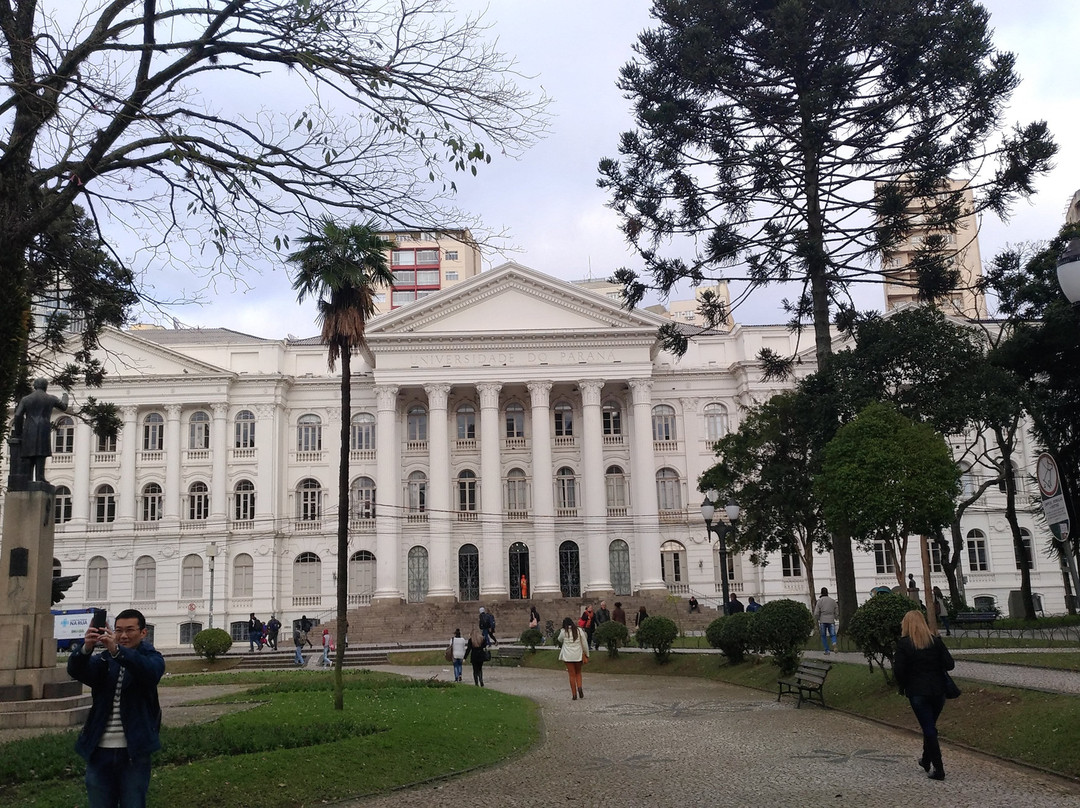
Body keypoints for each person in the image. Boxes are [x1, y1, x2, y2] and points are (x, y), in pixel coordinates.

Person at [67, 608, 165, 808]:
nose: (123, 635)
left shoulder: (151, 657)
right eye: (118, 630)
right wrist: (86, 648)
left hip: (133, 751)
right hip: (99, 750)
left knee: (133, 803)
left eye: (130, 630)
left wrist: (118, 652)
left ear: (143, 633)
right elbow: (77, 671)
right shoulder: (105, 660)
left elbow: (149, 673)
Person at [893, 610, 955, 781]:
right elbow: (950, 665)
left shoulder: (904, 644)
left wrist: (904, 684)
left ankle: (939, 769)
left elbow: (899, 670)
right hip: (938, 691)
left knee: (929, 728)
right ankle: (926, 759)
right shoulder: (935, 642)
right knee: (930, 727)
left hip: (917, 692)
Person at [9, 377, 69, 485]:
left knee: (29, 453)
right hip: (43, 428)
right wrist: (65, 396)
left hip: (29, 429)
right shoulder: (50, 398)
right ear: (46, 387)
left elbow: (18, 415)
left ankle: (28, 478)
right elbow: (64, 407)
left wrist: (18, 433)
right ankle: (40, 477)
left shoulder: (26, 399)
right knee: (41, 453)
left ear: (34, 386)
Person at [557, 616, 589, 700]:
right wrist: (586, 653)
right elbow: (584, 643)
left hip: (568, 656)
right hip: (578, 655)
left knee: (571, 675)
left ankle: (574, 694)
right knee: (578, 673)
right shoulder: (579, 630)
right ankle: (579, 687)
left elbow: (559, 639)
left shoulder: (564, 631)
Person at [813, 587, 839, 654]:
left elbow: (816, 612)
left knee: (823, 636)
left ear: (821, 593)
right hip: (831, 620)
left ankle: (827, 650)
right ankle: (834, 643)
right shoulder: (832, 601)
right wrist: (836, 616)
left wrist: (818, 618)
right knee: (833, 634)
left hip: (823, 620)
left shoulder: (820, 601)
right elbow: (836, 609)